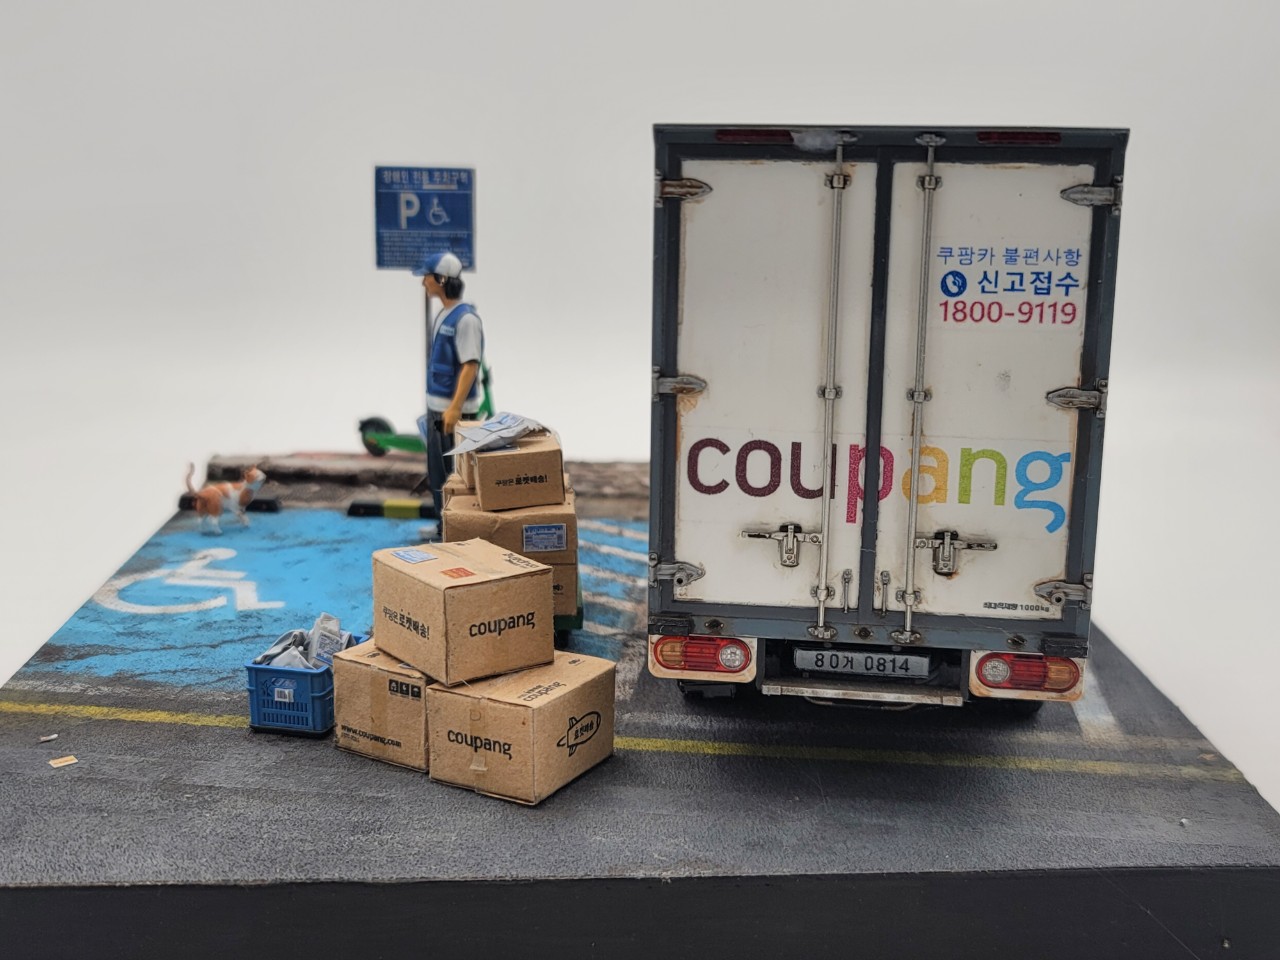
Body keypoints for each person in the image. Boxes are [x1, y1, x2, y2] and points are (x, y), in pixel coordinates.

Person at [411, 250, 484, 517]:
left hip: (453, 413)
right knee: (438, 474)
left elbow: (470, 365)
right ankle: (444, 526)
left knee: (453, 476)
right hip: (438, 409)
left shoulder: (466, 320)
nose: (423, 282)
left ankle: (454, 527)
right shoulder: (444, 314)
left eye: (427, 277)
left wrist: (454, 408)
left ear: (441, 279)